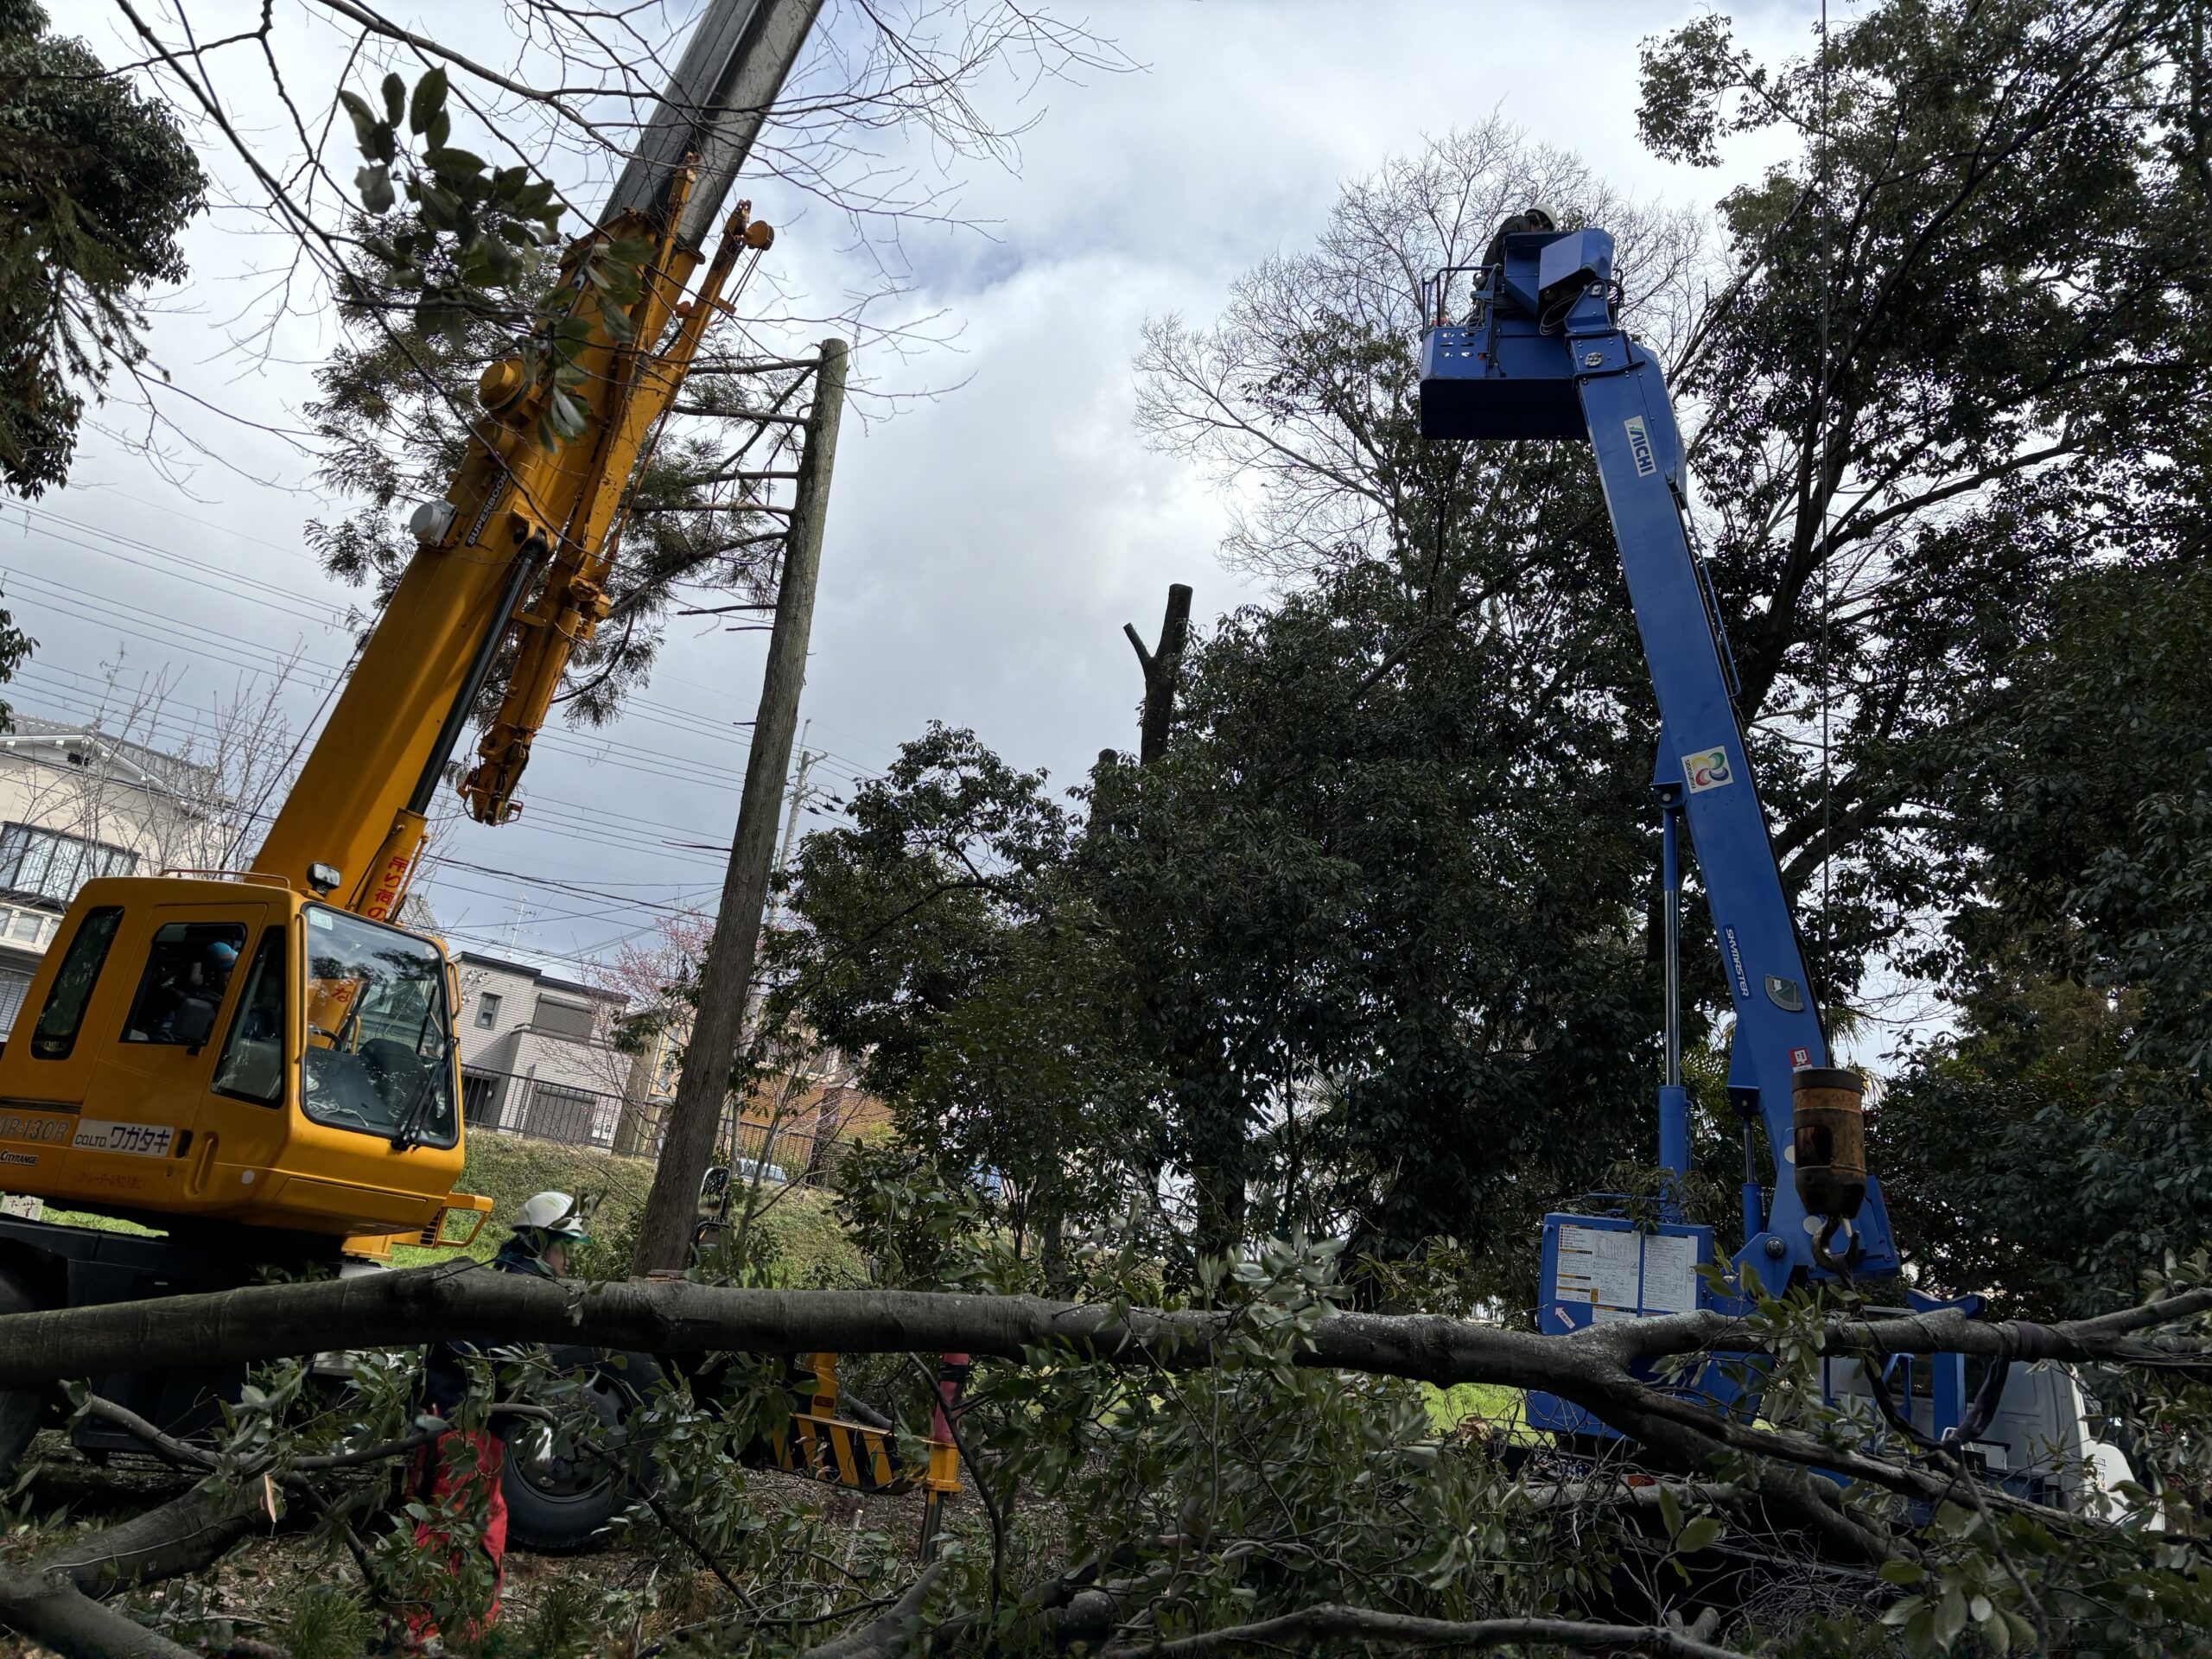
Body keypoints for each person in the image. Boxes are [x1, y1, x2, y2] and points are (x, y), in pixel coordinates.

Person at [401, 1192, 589, 1647]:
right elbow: (506, 1370)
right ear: (547, 1245)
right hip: (465, 1435)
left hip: (455, 1426)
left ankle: (465, 1631)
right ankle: (423, 1635)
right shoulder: (524, 1292)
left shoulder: (498, 1278)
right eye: (568, 1249)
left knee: (473, 1524)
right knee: (452, 1531)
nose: (569, 1262)